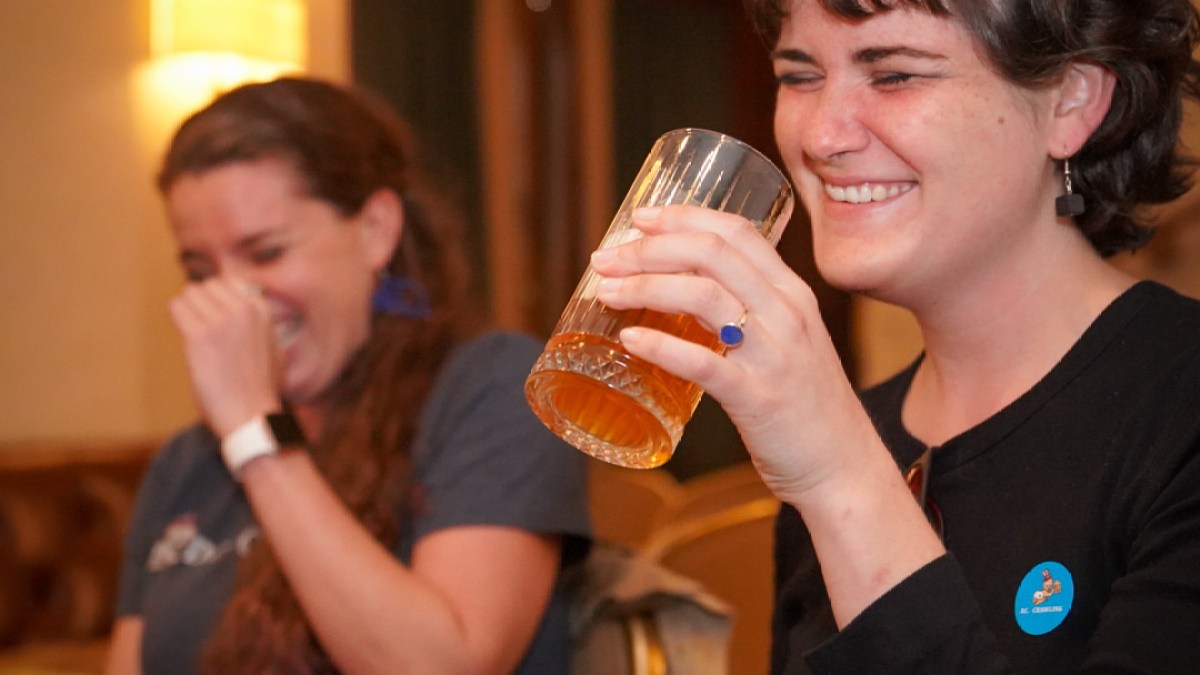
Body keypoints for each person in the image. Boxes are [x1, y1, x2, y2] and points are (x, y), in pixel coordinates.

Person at [586, 0, 1200, 672]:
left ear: (1070, 102)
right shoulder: (846, 436)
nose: (821, 136)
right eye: (799, 76)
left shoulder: (1176, 407)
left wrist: (841, 475)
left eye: (895, 76)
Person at [104, 77, 591, 675]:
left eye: (266, 253)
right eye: (201, 270)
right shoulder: (185, 464)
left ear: (375, 230)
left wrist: (255, 436)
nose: (234, 301)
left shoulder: (492, 386)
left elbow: (444, 666)